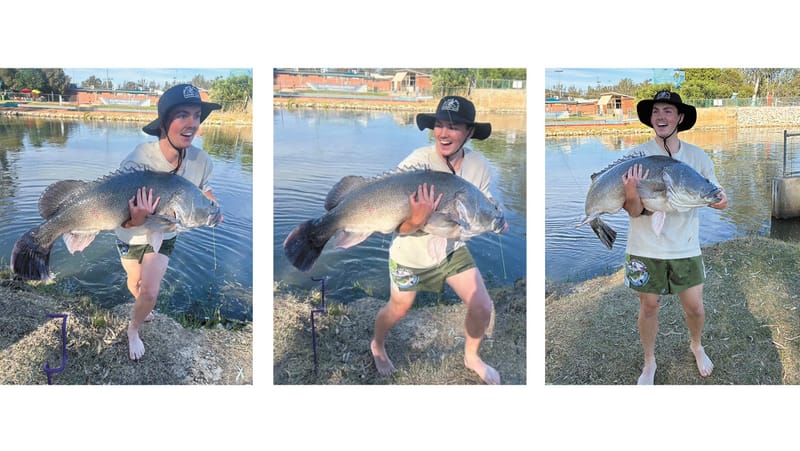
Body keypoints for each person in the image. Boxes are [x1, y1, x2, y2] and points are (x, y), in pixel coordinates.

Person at [369, 95, 507, 384]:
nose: (444, 133)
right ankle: (377, 345)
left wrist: (496, 216)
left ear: (469, 132)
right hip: (410, 253)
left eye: (454, 127)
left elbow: (485, 200)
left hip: (452, 250)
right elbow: (401, 230)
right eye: (440, 125)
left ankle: (471, 356)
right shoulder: (417, 163)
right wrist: (418, 218)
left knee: (482, 305)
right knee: (399, 307)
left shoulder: (480, 166)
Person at [621, 90, 728, 384]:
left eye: (668, 111)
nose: (661, 117)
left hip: (686, 247)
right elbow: (633, 211)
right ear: (651, 119)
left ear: (680, 118)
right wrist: (631, 192)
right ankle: (649, 362)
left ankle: (696, 345)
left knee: (694, 306)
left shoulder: (697, 157)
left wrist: (719, 199)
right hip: (644, 247)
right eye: (656, 112)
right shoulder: (634, 157)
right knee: (648, 306)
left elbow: (716, 194)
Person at [116, 84, 221, 360]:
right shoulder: (138, 160)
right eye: (182, 115)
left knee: (149, 292)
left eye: (197, 115)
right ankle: (140, 302)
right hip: (130, 233)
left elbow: (204, 189)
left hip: (166, 232)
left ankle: (133, 329)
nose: (192, 124)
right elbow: (123, 218)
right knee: (135, 281)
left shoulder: (201, 160)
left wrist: (213, 205)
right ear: (164, 124)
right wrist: (137, 218)